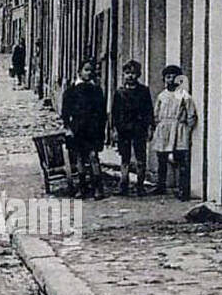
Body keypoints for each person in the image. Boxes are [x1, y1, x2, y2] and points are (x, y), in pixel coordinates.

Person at [61, 58, 107, 199]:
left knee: (93, 156)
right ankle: (82, 187)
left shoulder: (97, 90)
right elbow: (65, 112)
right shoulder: (71, 91)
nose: (88, 73)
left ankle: (97, 188)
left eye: (91, 71)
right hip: (78, 128)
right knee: (80, 158)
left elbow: (102, 112)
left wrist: (101, 129)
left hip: (93, 129)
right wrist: (68, 128)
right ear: (79, 72)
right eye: (86, 70)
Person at [152, 64, 198, 200]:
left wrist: (186, 129)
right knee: (162, 159)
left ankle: (183, 189)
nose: (171, 80)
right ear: (164, 79)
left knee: (181, 160)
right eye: (168, 77)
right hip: (164, 128)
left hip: (178, 129)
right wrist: (158, 125)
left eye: (174, 77)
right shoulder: (162, 96)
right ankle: (161, 186)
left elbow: (191, 114)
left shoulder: (184, 96)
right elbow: (156, 113)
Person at [109, 59, 154, 196]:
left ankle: (140, 186)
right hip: (123, 129)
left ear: (138, 74)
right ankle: (124, 184)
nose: (130, 76)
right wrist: (113, 130)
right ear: (123, 74)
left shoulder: (144, 91)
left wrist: (150, 127)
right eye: (127, 73)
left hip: (139, 128)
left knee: (140, 157)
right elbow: (114, 113)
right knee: (125, 157)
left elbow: (149, 111)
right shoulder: (119, 92)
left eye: (133, 73)